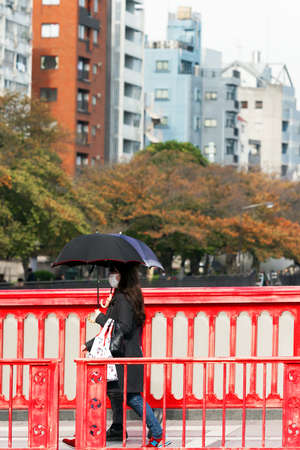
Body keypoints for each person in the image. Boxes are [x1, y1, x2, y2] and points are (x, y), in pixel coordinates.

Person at [63, 263, 163, 448]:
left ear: (123, 275)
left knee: (131, 397)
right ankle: (116, 428)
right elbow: (111, 331)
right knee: (113, 393)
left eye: (114, 272)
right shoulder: (123, 297)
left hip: (125, 357)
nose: (111, 275)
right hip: (122, 355)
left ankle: (156, 432)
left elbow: (123, 327)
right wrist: (90, 343)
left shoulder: (124, 299)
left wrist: (100, 317)